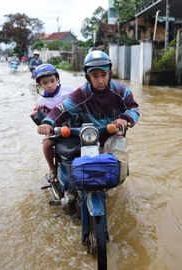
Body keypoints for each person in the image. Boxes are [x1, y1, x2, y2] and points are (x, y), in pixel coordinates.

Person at [37, 50, 140, 243]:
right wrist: (48, 122)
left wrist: (125, 119)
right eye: (95, 76)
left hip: (111, 137)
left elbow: (134, 108)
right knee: (71, 161)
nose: (100, 80)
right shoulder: (81, 93)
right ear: (88, 76)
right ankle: (62, 181)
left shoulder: (120, 90)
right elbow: (61, 109)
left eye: (103, 75)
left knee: (120, 174)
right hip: (87, 137)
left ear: (109, 73)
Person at [30, 63, 74, 182]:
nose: (50, 85)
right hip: (55, 130)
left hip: (74, 125)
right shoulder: (41, 101)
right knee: (47, 143)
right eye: (45, 83)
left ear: (57, 79)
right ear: (39, 85)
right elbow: (38, 115)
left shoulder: (69, 90)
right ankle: (52, 169)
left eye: (52, 81)